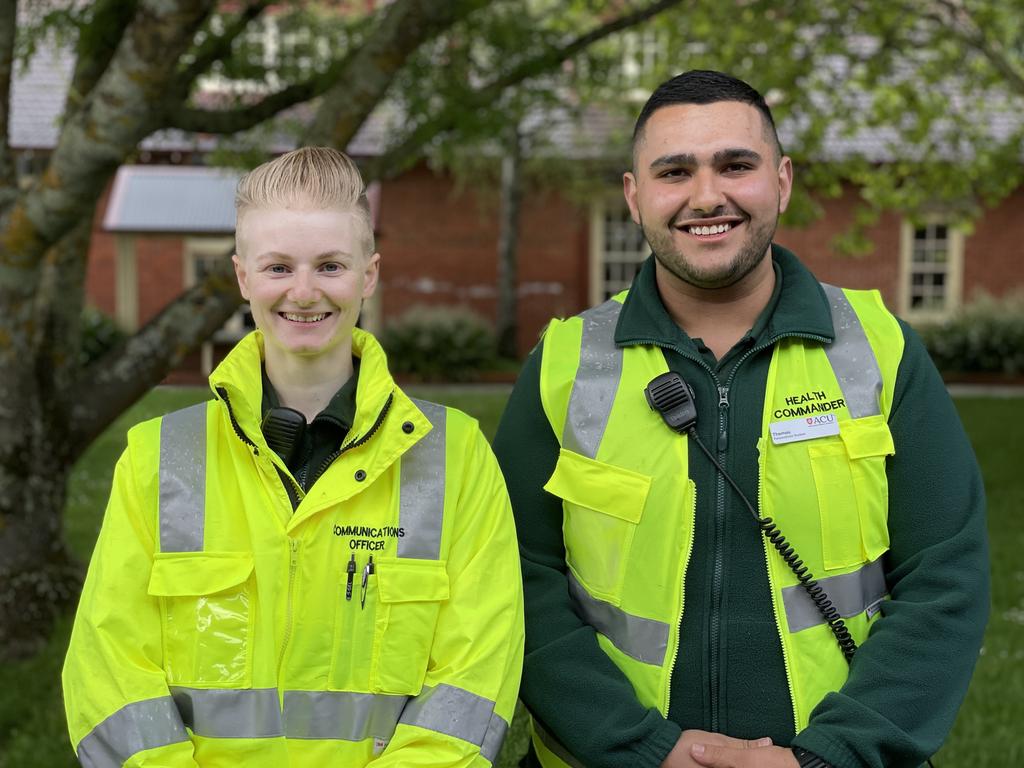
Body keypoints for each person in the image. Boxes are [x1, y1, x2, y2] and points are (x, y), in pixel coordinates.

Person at [493, 70, 988, 768]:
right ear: (634, 197)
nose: (707, 195)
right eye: (674, 171)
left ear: (781, 181)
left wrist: (822, 757)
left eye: (736, 165)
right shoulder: (564, 366)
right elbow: (516, 581)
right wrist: (642, 749)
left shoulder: (881, 351)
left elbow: (946, 580)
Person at [63, 147, 523, 767]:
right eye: (278, 267)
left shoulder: (457, 455)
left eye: (330, 265)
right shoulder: (158, 458)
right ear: (242, 276)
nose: (304, 293)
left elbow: (475, 678)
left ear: (369, 273)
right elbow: (110, 672)